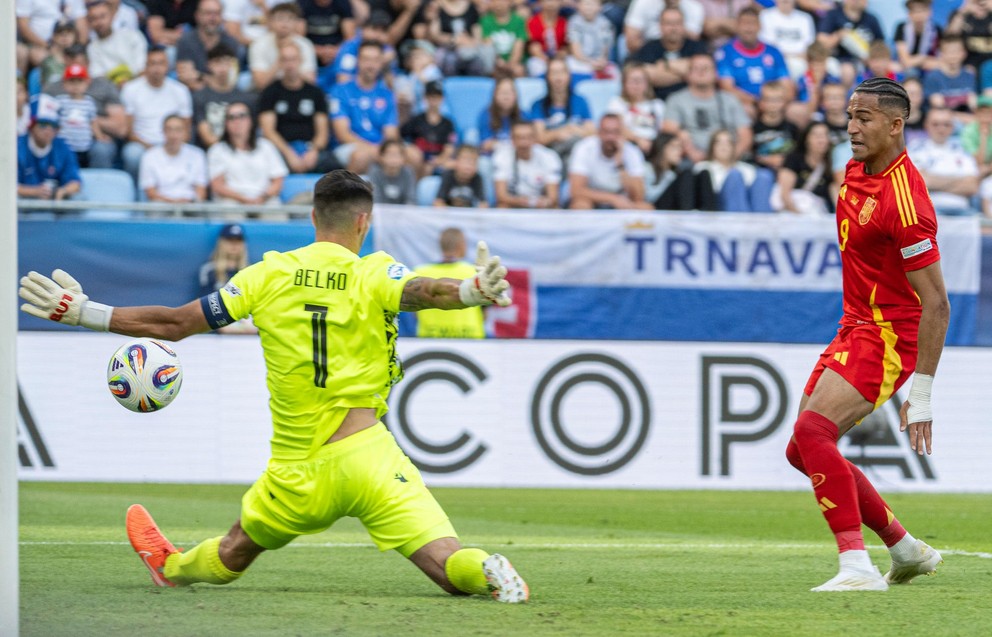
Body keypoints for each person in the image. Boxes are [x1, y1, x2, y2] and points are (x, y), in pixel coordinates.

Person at [17, 170, 529, 603]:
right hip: (371, 457)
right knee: (447, 563)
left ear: (312, 218)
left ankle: (170, 568)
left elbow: (175, 323)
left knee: (235, 549)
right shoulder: (376, 271)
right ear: (363, 222)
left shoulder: (268, 275)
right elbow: (422, 292)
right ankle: (486, 571)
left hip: (298, 470)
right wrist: (470, 290)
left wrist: (85, 312)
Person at [785, 77, 949, 592]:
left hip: (888, 334)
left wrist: (920, 394)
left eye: (864, 118)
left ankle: (856, 566)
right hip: (855, 323)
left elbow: (938, 304)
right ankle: (905, 548)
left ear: (896, 125)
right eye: (850, 116)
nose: (851, 127)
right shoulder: (857, 168)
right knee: (801, 448)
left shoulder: (907, 204)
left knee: (814, 433)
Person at [258, 42, 340, 175]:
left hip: (310, 149)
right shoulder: (270, 92)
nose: (289, 64)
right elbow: (268, 131)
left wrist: (313, 151)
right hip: (281, 150)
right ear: (279, 62)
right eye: (285, 59)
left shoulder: (315, 92)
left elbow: (323, 132)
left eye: (293, 59)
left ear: (300, 61)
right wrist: (289, 154)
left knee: (336, 167)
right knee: (266, 162)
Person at [120, 46, 194, 183]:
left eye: (161, 63)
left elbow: (186, 130)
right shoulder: (131, 89)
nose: (157, 68)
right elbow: (129, 132)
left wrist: (169, 147)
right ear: (145, 66)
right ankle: (137, 198)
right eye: (152, 63)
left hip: (173, 142)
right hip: (142, 144)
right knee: (132, 154)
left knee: (193, 154)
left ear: (168, 66)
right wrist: (152, 149)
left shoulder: (181, 91)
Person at [662, 54, 752, 163]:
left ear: (716, 73)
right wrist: (691, 151)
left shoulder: (730, 99)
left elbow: (745, 134)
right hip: (689, 160)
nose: (701, 72)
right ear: (688, 74)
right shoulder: (676, 99)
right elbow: (669, 131)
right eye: (696, 69)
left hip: (730, 158)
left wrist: (731, 157)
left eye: (706, 68)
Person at [208, 102, 288, 210]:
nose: (237, 121)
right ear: (225, 123)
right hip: (231, 199)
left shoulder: (266, 146)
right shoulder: (217, 150)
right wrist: (244, 199)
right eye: (231, 117)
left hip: (264, 198)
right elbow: (217, 186)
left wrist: (262, 198)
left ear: (251, 120)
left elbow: (278, 181)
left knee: (275, 211)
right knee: (230, 208)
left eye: (242, 116)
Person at [568, 113, 653, 210]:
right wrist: (612, 199)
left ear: (623, 133)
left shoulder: (632, 152)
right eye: (606, 132)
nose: (610, 137)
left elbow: (638, 196)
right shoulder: (584, 148)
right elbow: (576, 190)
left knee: (645, 208)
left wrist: (620, 164)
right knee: (580, 205)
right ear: (598, 132)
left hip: (622, 202)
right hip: (594, 199)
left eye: (615, 132)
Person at [413, 227, 486, 339]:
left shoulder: (420, 272)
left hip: (429, 338)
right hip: (470, 338)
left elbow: (414, 312)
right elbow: (485, 312)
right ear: (461, 245)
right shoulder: (473, 272)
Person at [907, 107, 980, 216]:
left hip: (962, 213)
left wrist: (932, 183)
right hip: (926, 213)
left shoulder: (962, 149)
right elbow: (918, 183)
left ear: (953, 127)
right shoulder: (914, 149)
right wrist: (958, 181)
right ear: (926, 125)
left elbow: (972, 186)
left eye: (946, 124)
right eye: (935, 124)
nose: (941, 129)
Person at [627, 6, 706, 101]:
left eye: (677, 23)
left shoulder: (696, 47)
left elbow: (703, 75)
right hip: (656, 101)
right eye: (668, 23)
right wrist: (686, 72)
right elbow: (646, 77)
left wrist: (665, 65)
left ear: (684, 25)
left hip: (692, 101)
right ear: (660, 26)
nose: (673, 28)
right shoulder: (649, 48)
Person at [17, 94, 82, 202]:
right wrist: (34, 192)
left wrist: (63, 191)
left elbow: (75, 182)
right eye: (43, 124)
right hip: (21, 211)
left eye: (54, 126)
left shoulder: (62, 147)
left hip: (54, 209)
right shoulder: (17, 146)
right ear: (31, 126)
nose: (48, 130)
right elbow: (5, 186)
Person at [193, 43, 258, 150]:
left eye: (227, 62)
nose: (222, 68)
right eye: (218, 63)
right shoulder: (200, 97)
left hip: (241, 152)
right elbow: (206, 136)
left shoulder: (246, 98)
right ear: (209, 65)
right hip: (212, 152)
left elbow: (250, 134)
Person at [529, 58, 595, 161]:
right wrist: (558, 133)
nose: (558, 77)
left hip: (575, 152)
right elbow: (539, 138)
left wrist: (573, 129)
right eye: (554, 73)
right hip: (550, 154)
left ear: (568, 76)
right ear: (547, 77)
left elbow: (591, 133)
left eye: (561, 72)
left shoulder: (580, 101)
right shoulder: (538, 105)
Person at [53, 63, 116, 168]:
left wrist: (99, 136)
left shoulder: (89, 102)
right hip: (65, 145)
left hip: (84, 146)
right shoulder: (60, 100)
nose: (76, 85)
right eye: (71, 81)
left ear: (87, 83)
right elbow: (56, 120)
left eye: (79, 81)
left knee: (84, 168)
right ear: (64, 84)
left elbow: (93, 121)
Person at [175, 0, 243, 92]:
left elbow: (231, 80)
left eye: (217, 13)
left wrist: (199, 75)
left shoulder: (231, 42)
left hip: (226, 96)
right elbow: (185, 77)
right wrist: (216, 82)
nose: (212, 18)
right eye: (208, 13)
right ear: (197, 16)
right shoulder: (186, 41)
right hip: (196, 96)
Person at [139, 115, 209, 204]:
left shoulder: (197, 155)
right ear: (163, 131)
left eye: (178, 130)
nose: (173, 135)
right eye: (169, 129)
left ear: (185, 132)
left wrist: (188, 202)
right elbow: (151, 192)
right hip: (162, 205)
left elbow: (201, 190)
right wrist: (173, 203)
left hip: (189, 205)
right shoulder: (149, 156)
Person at [493, 120, 562, 209]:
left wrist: (544, 202)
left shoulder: (549, 157)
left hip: (540, 204)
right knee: (502, 206)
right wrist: (522, 201)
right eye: (519, 138)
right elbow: (501, 196)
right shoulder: (501, 156)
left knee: (555, 207)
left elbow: (553, 197)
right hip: (514, 203)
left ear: (535, 138)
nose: (524, 142)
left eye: (528, 137)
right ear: (512, 140)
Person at [771, 120, 834, 215]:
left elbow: (834, 190)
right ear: (806, 138)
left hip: (819, 213)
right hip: (793, 212)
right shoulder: (794, 159)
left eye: (824, 135)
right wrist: (800, 217)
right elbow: (785, 194)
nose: (821, 140)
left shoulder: (831, 163)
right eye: (816, 136)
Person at [606, 62, 665, 157]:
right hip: (628, 145)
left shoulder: (657, 104)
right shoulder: (617, 103)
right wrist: (638, 140)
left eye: (640, 80)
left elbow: (662, 129)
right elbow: (616, 128)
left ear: (647, 83)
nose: (636, 85)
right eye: (632, 80)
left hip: (654, 146)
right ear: (624, 83)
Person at [893, 0, 941, 79]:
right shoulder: (901, 28)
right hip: (907, 69)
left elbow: (940, 61)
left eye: (922, 11)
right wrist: (923, 59)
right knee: (911, 72)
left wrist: (919, 61)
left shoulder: (936, 30)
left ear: (929, 12)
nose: (919, 15)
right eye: (915, 11)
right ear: (909, 14)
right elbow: (906, 61)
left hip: (927, 68)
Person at [368, 139, 417, 205]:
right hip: (380, 211)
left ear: (404, 158)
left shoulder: (408, 172)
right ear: (381, 156)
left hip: (404, 212)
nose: (393, 159)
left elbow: (411, 198)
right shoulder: (375, 172)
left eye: (397, 155)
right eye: (389, 154)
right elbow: (374, 198)